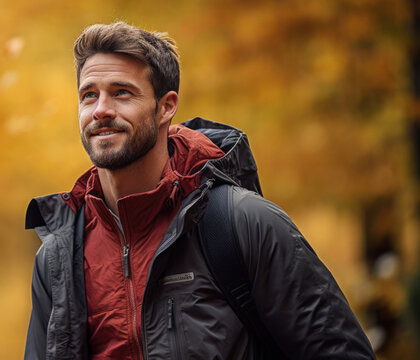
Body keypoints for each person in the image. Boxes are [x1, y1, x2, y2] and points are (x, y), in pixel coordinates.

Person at [24, 21, 375, 359]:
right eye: (89, 96)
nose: (101, 110)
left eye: (121, 93)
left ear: (166, 106)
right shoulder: (59, 257)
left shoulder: (243, 223)